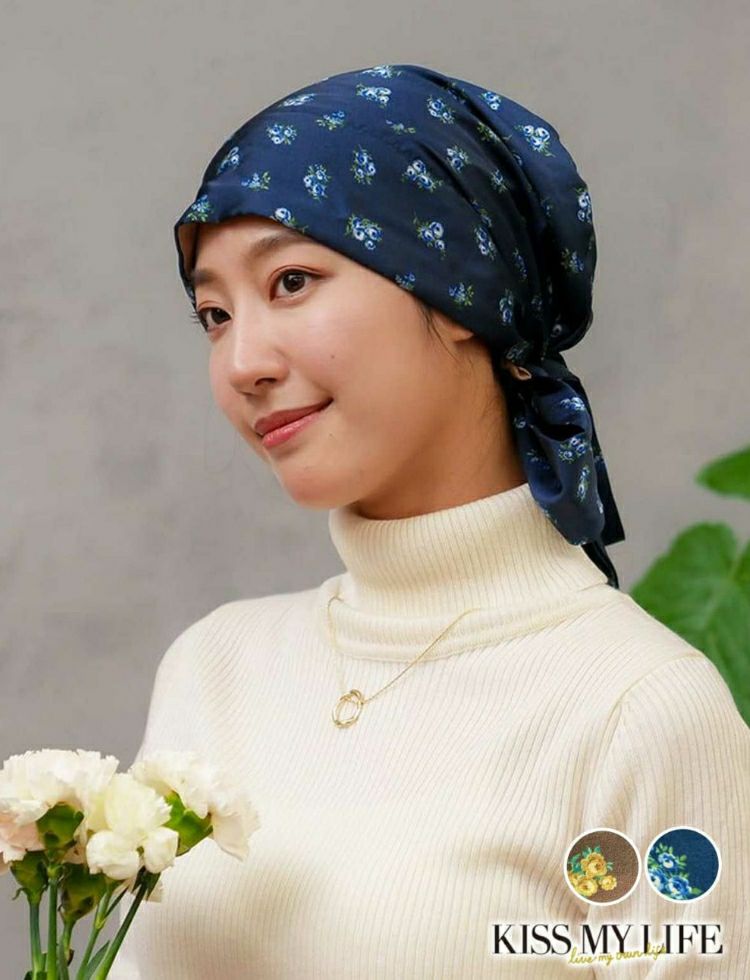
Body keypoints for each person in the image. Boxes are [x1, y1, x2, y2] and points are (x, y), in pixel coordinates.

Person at [110, 65, 749, 978]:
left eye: (291, 281)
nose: (243, 361)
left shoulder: (636, 711)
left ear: (460, 291)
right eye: (213, 313)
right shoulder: (214, 667)